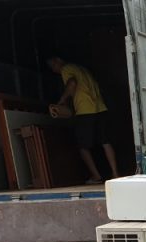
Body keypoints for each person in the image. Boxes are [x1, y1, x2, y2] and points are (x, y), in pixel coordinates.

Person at [47, 56, 118, 184]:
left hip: (85, 109)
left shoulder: (66, 69)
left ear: (58, 60)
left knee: (82, 146)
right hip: (100, 107)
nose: (53, 70)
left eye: (53, 66)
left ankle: (96, 176)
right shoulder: (82, 69)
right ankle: (115, 173)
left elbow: (72, 83)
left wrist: (62, 100)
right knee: (105, 142)